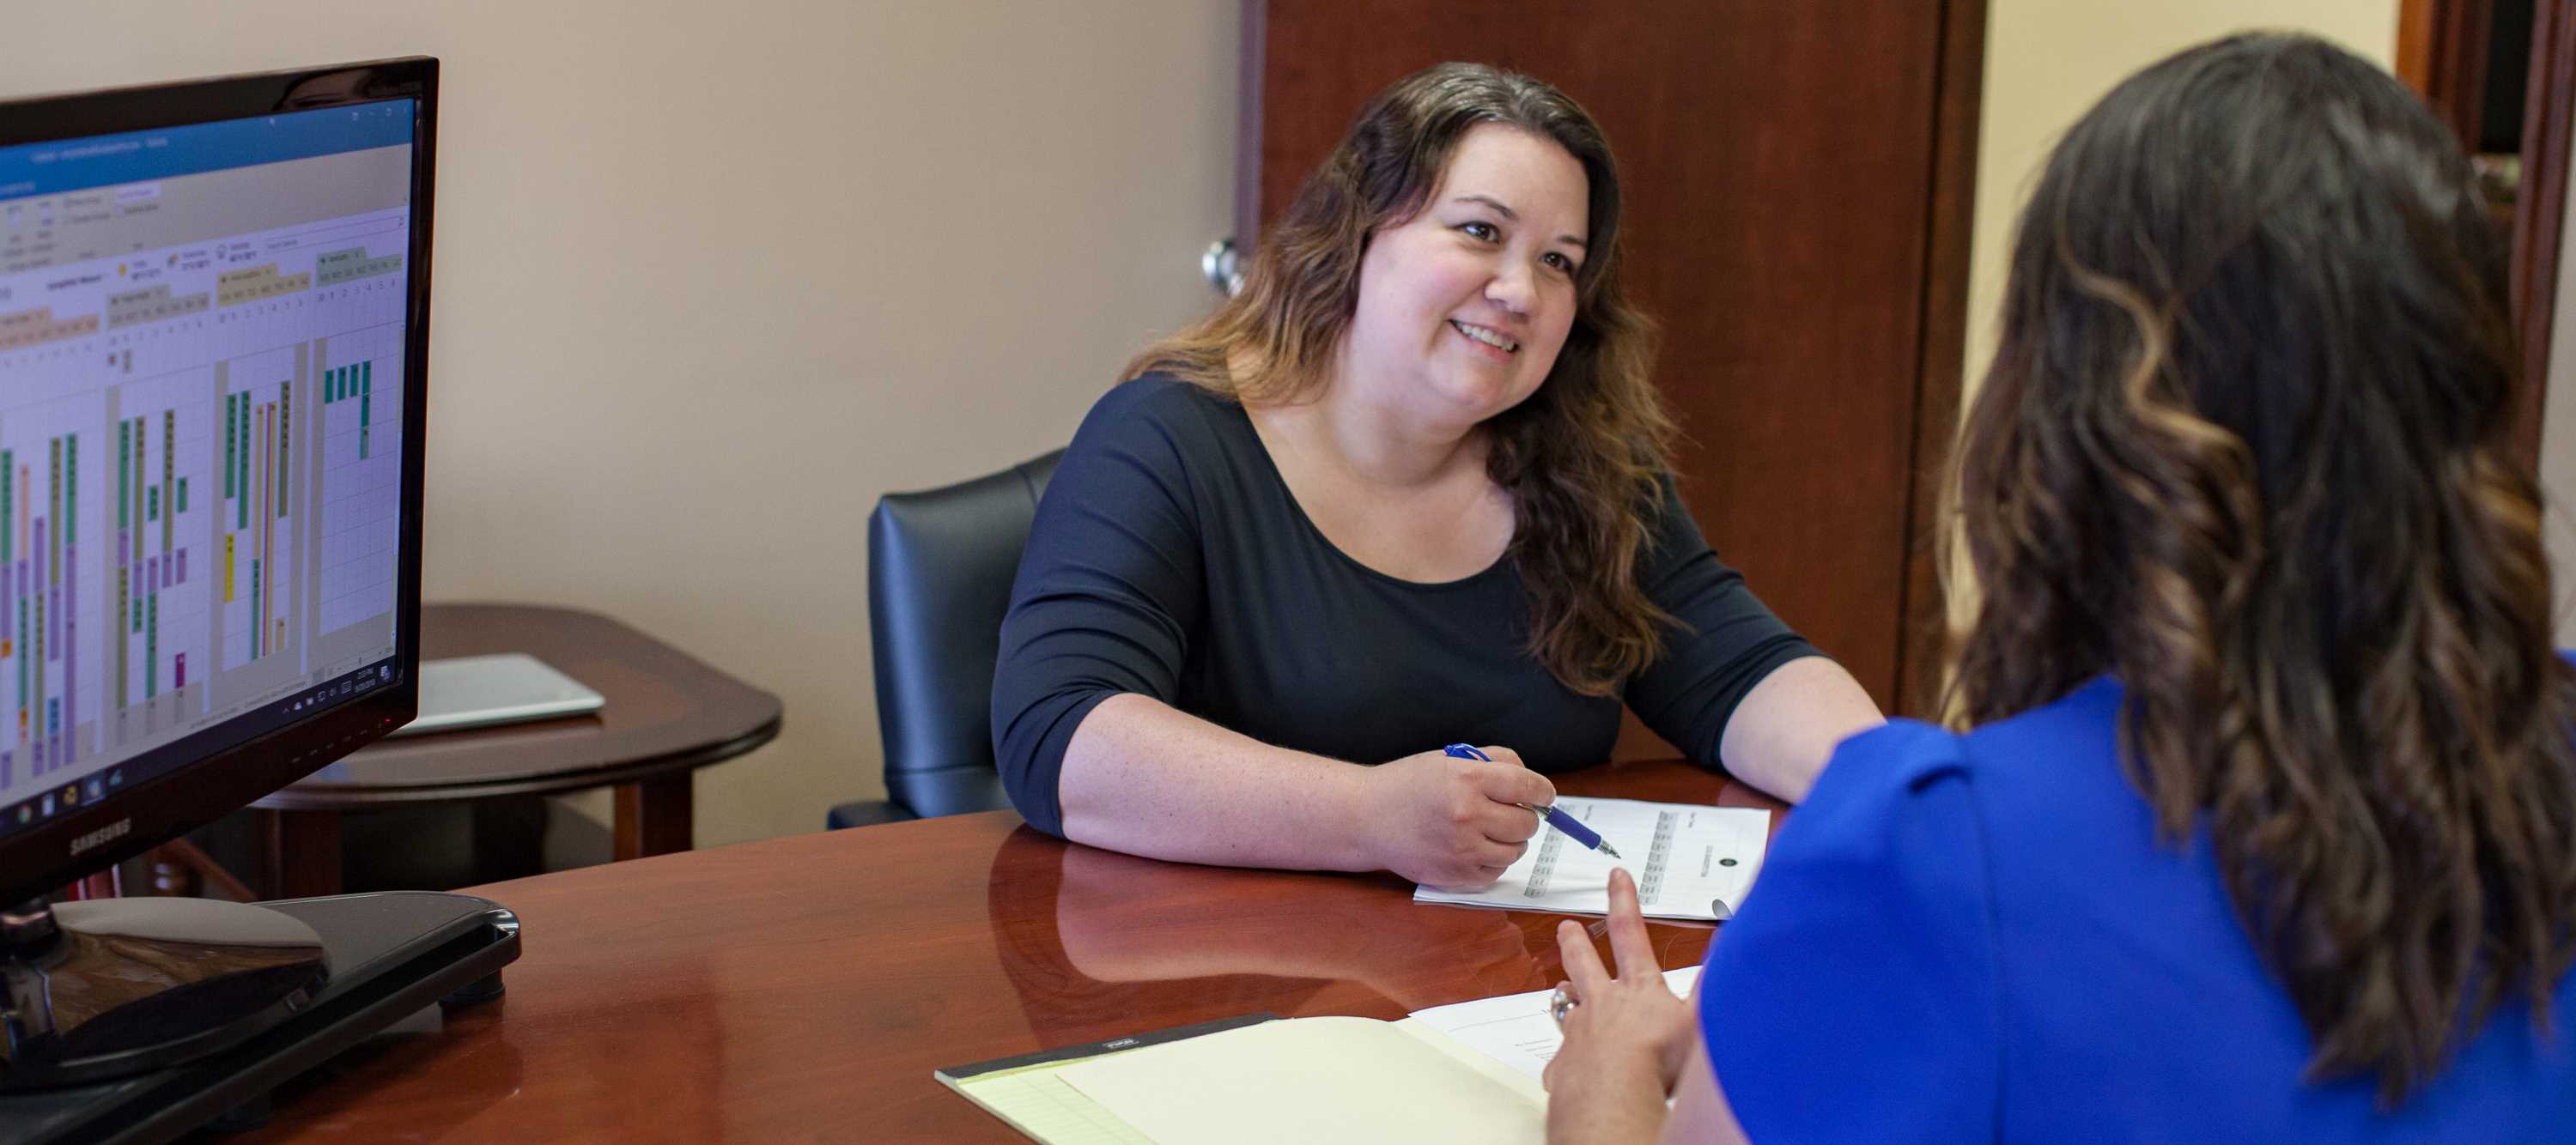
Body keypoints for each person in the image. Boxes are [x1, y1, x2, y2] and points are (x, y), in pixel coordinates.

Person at [1541, 33, 2576, 1142]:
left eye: (1558, 258)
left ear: (2062, 414)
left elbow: (1731, 652)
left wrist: (1604, 1089)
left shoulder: (1934, 852)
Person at [990, 62, 1882, 888]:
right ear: (1360, 231)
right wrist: (1370, 816)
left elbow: (1744, 670)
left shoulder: (1589, 465)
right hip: (1231, 991)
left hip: (1506, 990)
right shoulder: (1170, 437)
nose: (1520, 291)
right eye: (1480, 231)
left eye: (1558, 261)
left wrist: (1905, 790)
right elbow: (1060, 732)